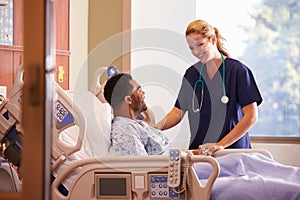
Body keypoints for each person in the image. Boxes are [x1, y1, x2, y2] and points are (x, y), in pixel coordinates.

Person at [156, 19, 263, 155]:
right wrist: (155, 127)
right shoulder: (192, 74)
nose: (196, 51)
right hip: (200, 152)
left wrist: (220, 145)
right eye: (191, 47)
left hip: (233, 152)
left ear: (213, 39)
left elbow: (251, 117)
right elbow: (177, 112)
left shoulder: (238, 71)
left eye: (200, 45)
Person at [103, 73, 170, 156]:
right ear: (128, 99)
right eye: (139, 90)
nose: (143, 93)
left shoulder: (137, 124)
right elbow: (141, 165)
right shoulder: (124, 131)